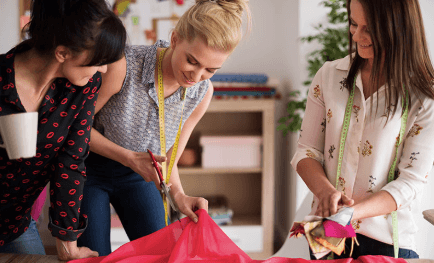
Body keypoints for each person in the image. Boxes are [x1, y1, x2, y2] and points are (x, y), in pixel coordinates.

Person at [77, 0, 251, 256]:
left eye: (210, 70)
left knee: (163, 256)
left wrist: (180, 196)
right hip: (89, 171)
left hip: (140, 175)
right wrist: (128, 158)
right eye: (192, 61)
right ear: (175, 39)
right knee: (94, 258)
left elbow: (170, 157)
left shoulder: (201, 93)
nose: (196, 76)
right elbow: (75, 129)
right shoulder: (123, 65)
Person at [291, 0, 434, 259]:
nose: (356, 36)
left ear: (398, 28)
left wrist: (350, 214)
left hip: (387, 238)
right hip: (327, 233)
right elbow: (306, 151)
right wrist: (325, 191)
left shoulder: (424, 96)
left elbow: (411, 182)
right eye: (354, 24)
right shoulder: (329, 75)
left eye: (368, 29)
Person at [0, 0, 126, 261]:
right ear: (62, 53)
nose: (103, 69)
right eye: (98, 61)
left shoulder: (82, 86)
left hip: (13, 226)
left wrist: (68, 243)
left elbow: (70, 161)